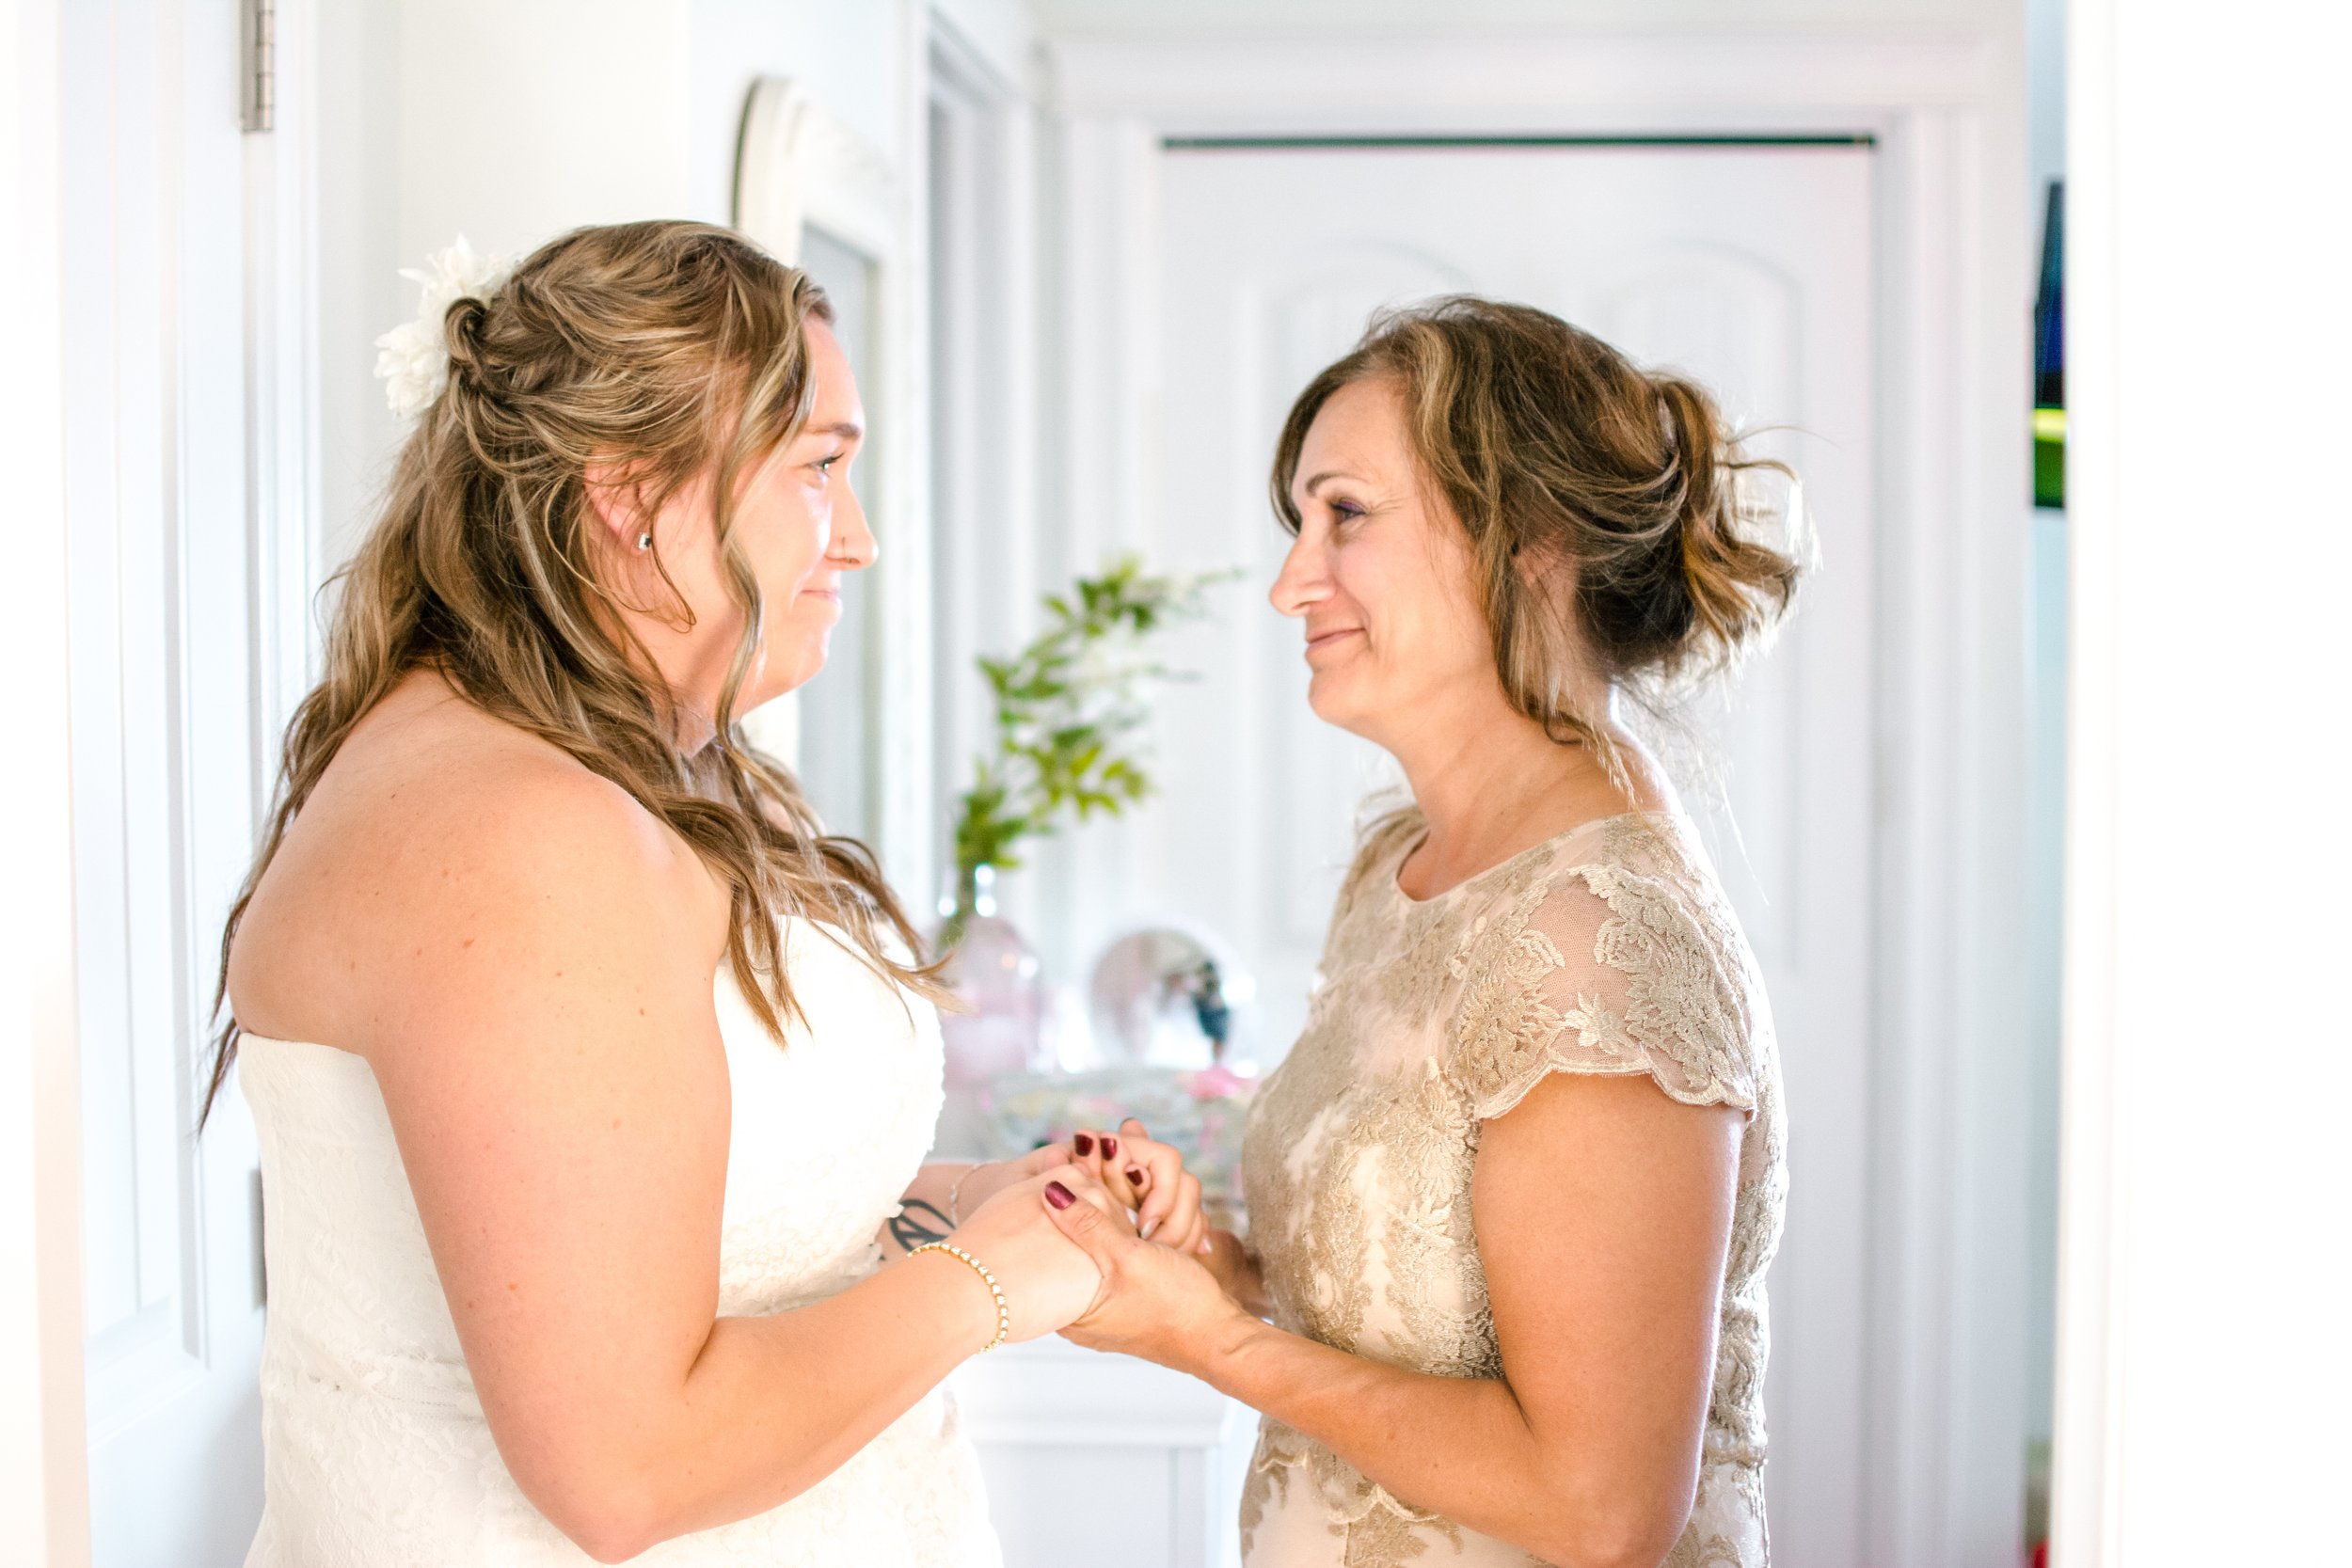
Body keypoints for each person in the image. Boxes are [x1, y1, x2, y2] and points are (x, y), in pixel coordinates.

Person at [212, 219, 1203, 1567]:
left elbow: (670, 1204)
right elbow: (627, 1468)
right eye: (818, 469)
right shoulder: (526, 834)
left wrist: (972, 1199)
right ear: (628, 492)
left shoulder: (583, 775)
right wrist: (993, 1284)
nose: (854, 538)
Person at [1037, 298, 1802, 1568]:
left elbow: (1597, 1507)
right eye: (1297, 521)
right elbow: (1394, 1329)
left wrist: (1210, 1343)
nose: (1291, 580)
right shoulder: (1404, 869)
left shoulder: (1600, 941)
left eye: (1344, 514)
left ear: (1531, 542)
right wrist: (1211, 1264)